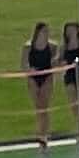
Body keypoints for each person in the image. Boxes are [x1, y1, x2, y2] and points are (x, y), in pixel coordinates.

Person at [23, 18, 60, 146]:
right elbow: (24, 64)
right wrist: (29, 69)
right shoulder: (28, 46)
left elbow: (56, 60)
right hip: (33, 77)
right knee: (38, 106)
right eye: (44, 31)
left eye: (47, 31)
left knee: (44, 105)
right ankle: (40, 132)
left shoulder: (52, 46)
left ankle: (44, 134)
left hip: (47, 76)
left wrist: (55, 63)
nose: (46, 34)